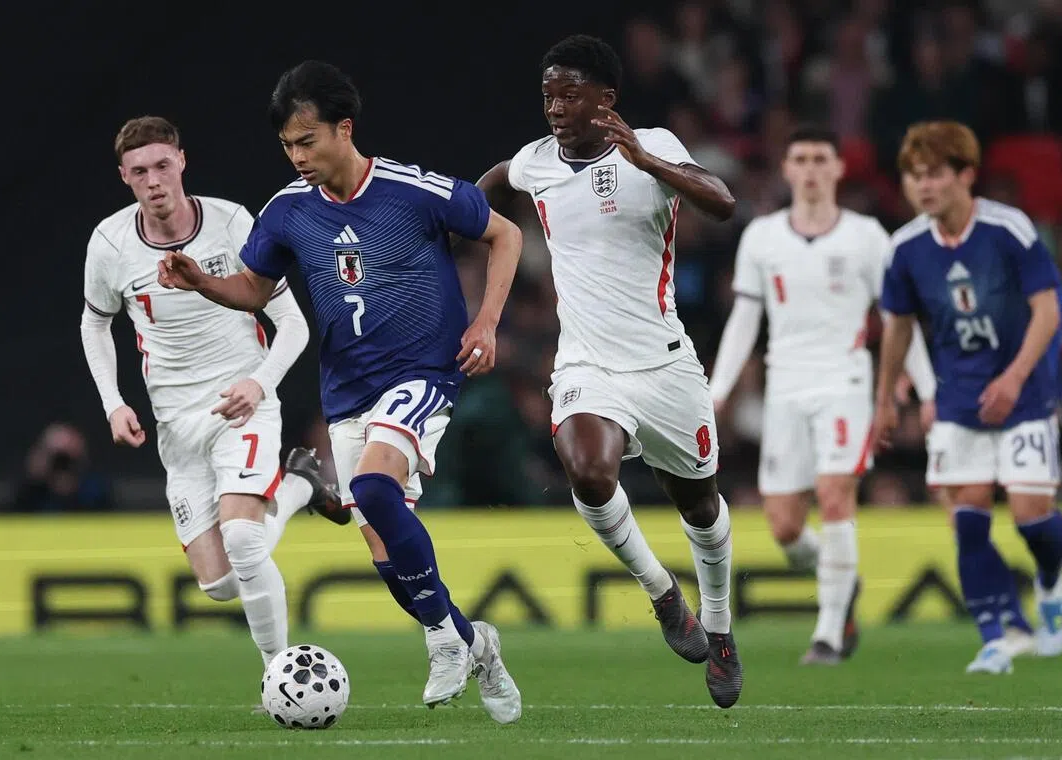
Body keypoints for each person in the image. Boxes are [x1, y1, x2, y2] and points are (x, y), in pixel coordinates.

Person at [156, 61, 524, 723]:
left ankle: (443, 640)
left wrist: (487, 322)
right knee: (387, 554)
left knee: (380, 491)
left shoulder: (411, 190)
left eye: (307, 141)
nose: (297, 157)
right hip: (347, 392)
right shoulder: (287, 213)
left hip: (422, 373)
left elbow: (505, 232)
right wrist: (200, 282)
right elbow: (255, 290)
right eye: (288, 147)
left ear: (344, 128)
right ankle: (478, 641)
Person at [473, 34, 742, 708]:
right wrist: (448, 220)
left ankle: (721, 626)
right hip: (588, 362)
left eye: (570, 94)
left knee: (701, 509)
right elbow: (487, 190)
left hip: (664, 363)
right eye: (548, 95)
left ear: (606, 99)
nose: (557, 107)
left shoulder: (652, 145)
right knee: (589, 472)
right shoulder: (535, 162)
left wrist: (649, 161)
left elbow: (722, 202)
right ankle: (661, 593)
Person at [80, 116, 344, 671]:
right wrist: (113, 401)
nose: (153, 181)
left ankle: (280, 674)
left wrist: (258, 384)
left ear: (181, 161)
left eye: (161, 166)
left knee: (245, 540)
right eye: (139, 172)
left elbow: (292, 324)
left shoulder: (232, 223)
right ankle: (299, 485)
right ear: (124, 177)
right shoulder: (110, 242)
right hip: (177, 428)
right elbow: (94, 323)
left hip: (241, 406)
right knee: (220, 584)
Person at [708, 124, 938, 665]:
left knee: (836, 495)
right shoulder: (762, 236)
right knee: (785, 526)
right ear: (787, 170)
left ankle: (830, 632)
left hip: (846, 381)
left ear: (838, 169)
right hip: (784, 384)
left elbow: (898, 320)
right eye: (801, 159)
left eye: (820, 159)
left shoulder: (866, 237)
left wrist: (929, 391)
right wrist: (717, 391)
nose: (810, 169)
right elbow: (746, 318)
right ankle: (842, 579)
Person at [875, 120, 1062, 674]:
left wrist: (1015, 377)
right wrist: (886, 398)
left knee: (1031, 518)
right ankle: (999, 635)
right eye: (914, 176)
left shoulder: (1008, 229)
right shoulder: (905, 247)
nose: (923, 187)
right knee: (967, 518)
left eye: (936, 174)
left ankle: (1054, 574)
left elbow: (1049, 309)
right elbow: (897, 326)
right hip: (959, 398)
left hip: (1026, 393)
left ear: (966, 175)